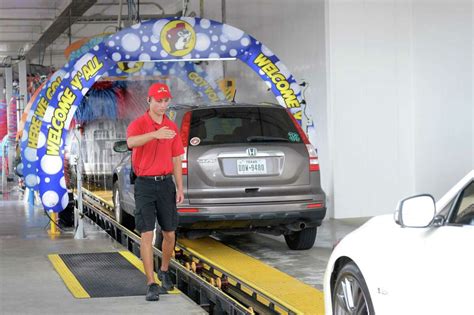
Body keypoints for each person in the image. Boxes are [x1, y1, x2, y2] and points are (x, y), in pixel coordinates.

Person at [126, 82, 184, 301]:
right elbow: (131, 142)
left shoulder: (172, 127)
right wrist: (155, 135)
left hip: (165, 184)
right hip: (145, 185)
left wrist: (179, 187)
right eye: (158, 101)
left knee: (169, 233)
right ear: (149, 101)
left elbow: (177, 157)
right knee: (147, 233)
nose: (162, 105)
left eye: (165, 101)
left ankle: (165, 270)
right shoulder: (139, 124)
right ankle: (151, 282)